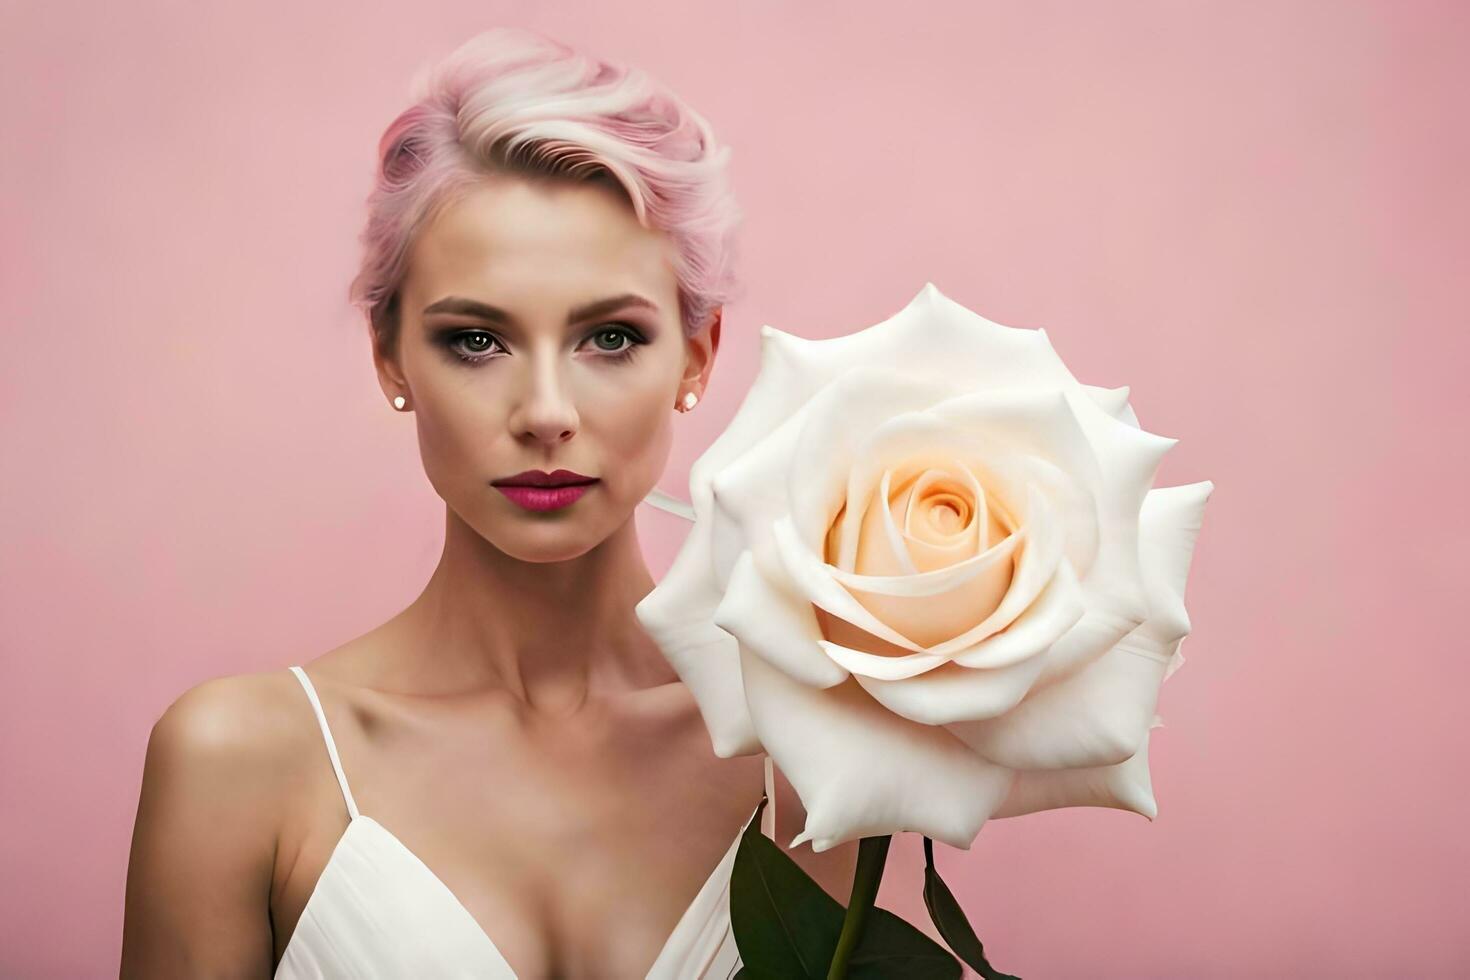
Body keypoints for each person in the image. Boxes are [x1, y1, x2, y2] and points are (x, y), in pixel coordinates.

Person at [120, 26, 857, 978]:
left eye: (611, 339)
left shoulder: (820, 766)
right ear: (389, 355)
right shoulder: (240, 764)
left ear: (700, 356)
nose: (546, 414)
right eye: (477, 340)